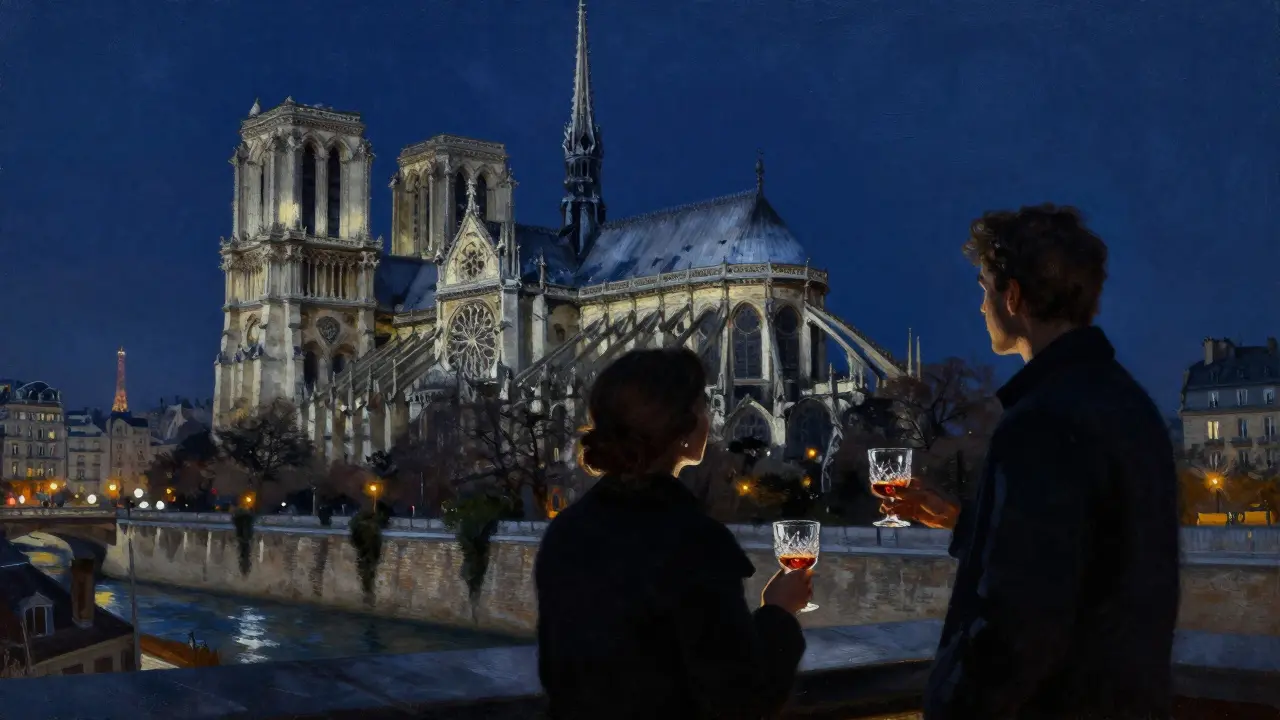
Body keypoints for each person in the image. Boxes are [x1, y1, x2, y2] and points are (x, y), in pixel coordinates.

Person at [892, 205, 1180, 719]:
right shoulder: (1133, 406)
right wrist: (965, 519)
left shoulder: (1041, 421)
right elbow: (1087, 552)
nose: (980, 306)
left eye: (983, 288)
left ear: (1013, 295)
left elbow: (1020, 622)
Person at [535, 347, 813, 719]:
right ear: (678, 427)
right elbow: (744, 697)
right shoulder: (694, 542)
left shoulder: (565, 532)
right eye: (701, 406)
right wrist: (778, 610)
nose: (710, 416)